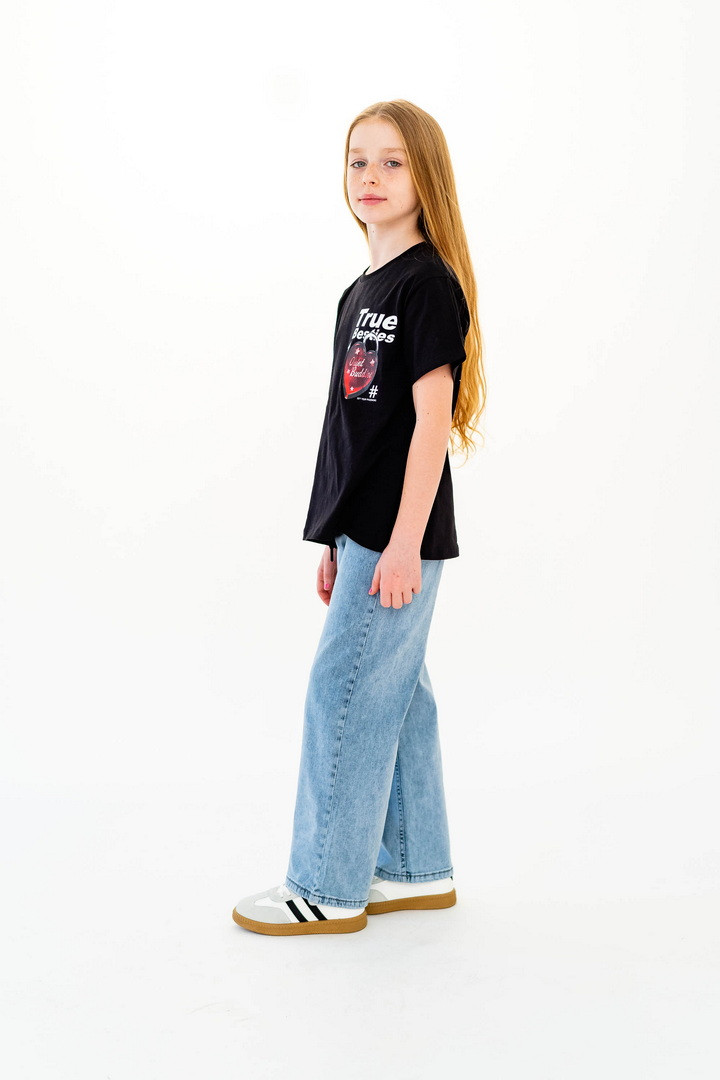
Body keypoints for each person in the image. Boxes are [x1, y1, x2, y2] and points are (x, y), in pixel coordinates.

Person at [233, 99, 486, 936]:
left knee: (341, 694)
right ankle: (415, 868)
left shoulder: (427, 285)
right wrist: (336, 538)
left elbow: (430, 422)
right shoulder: (361, 290)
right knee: (397, 695)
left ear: (425, 177)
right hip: (365, 533)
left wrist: (403, 541)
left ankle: (326, 886)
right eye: (358, 161)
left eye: (392, 162)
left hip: (398, 536)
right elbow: (352, 428)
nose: (370, 177)